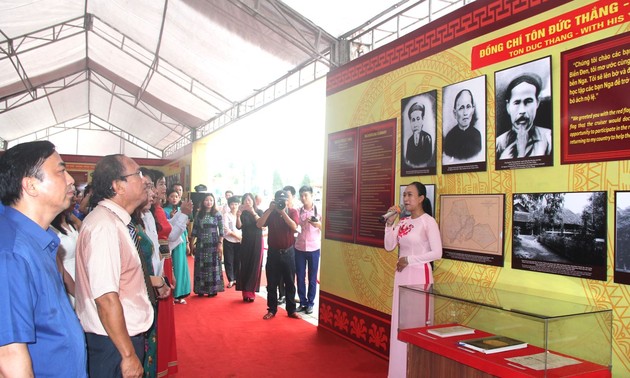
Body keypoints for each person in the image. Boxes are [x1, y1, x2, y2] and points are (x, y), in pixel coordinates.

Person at [75, 154, 171, 377]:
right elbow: (106, 298)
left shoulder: (117, 221)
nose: (144, 180)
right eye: (137, 174)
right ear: (118, 186)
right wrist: (128, 355)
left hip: (118, 338)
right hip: (113, 343)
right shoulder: (105, 226)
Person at [0, 141, 87, 377]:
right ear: (31, 186)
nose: (70, 180)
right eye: (60, 171)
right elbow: (9, 357)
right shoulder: (11, 253)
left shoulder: (40, 241)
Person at [383, 181, 442, 378]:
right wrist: (390, 224)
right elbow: (389, 246)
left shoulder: (428, 221)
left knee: (416, 325)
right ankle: (398, 372)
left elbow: (437, 253)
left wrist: (409, 259)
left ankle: (416, 372)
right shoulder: (403, 221)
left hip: (420, 275)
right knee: (400, 323)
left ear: (421, 198)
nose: (406, 199)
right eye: (404, 195)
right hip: (402, 276)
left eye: (410, 195)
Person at [257, 190, 301, 320]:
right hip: (273, 253)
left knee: (290, 283)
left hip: (288, 252)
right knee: (272, 283)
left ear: (287, 201)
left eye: (284, 200)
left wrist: (282, 212)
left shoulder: (292, 212)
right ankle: (272, 309)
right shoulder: (270, 212)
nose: (282, 203)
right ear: (275, 201)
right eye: (279, 201)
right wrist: (270, 210)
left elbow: (294, 226)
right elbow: (259, 224)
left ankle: (291, 310)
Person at [496, 73, 552, 159]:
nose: (522, 111)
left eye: (528, 101)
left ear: (537, 103)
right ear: (508, 107)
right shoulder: (498, 144)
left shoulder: (549, 138)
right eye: (517, 102)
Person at [190, 193, 225, 297]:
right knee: (201, 267)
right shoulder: (199, 214)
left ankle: (212, 289)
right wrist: (191, 244)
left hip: (213, 245)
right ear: (203, 202)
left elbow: (222, 230)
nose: (209, 202)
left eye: (211, 200)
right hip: (201, 245)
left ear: (214, 202)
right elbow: (194, 230)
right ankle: (200, 289)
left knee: (212, 267)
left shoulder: (217, 214)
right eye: (207, 200)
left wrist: (220, 243)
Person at [294, 185, 322, 315]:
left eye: (306, 195)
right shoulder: (297, 211)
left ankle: (310, 303)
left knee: (312, 277)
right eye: (301, 195)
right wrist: (301, 223)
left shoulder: (319, 211)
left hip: (314, 248)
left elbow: (325, 228)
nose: (303, 198)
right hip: (299, 247)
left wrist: (318, 224)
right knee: (300, 276)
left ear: (312, 195)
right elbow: (294, 227)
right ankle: (303, 302)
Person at [50, 198, 82, 308]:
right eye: (71, 199)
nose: (75, 201)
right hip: (68, 279)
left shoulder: (71, 224)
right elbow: (60, 268)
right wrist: (77, 294)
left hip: (79, 274)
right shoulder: (51, 229)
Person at [163, 188, 192, 304]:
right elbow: (170, 232)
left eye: (177, 195)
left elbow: (181, 230)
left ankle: (180, 293)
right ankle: (173, 293)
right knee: (173, 267)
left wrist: (188, 242)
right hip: (168, 244)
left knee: (180, 267)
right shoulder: (162, 210)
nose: (174, 198)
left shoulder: (182, 209)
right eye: (172, 196)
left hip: (179, 241)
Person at [235, 193, 264, 302]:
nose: (247, 202)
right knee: (245, 265)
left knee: (255, 266)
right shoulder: (242, 213)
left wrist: (253, 211)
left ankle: (251, 293)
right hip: (246, 241)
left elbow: (261, 224)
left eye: (249, 200)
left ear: (253, 201)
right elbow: (238, 226)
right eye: (245, 200)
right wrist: (238, 215)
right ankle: (245, 292)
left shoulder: (259, 212)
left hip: (257, 241)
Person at [443, 89, 482, 161]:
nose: (465, 113)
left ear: (473, 110)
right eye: (461, 108)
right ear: (455, 113)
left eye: (468, 107)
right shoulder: (449, 138)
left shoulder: (478, 135)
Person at [405, 102, 433, 167]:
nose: (415, 124)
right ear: (410, 122)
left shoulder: (427, 138)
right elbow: (408, 161)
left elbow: (428, 162)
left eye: (418, 119)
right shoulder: (409, 141)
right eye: (413, 120)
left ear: (422, 119)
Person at [223, 195, 242, 288]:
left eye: (236, 204)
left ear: (239, 204)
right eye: (232, 204)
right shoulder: (226, 215)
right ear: (229, 205)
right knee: (229, 260)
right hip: (229, 240)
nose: (234, 206)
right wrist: (237, 236)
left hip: (240, 241)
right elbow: (226, 229)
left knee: (238, 260)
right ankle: (231, 279)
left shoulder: (241, 215)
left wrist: (240, 238)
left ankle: (237, 279)